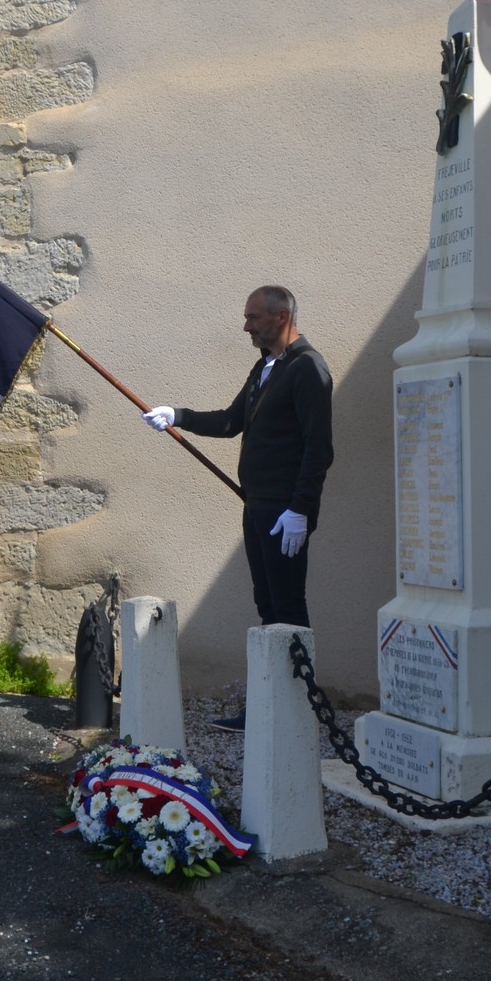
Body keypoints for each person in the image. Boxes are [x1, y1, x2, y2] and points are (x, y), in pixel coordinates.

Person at [143, 285, 333, 731]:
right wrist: (179, 415)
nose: (246, 326)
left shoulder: (308, 368)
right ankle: (270, 706)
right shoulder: (266, 367)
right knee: (267, 604)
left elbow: (319, 448)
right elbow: (232, 422)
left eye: (254, 317)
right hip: (258, 506)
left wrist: (301, 508)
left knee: (287, 607)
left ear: (281, 316)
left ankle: (293, 711)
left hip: (285, 513)